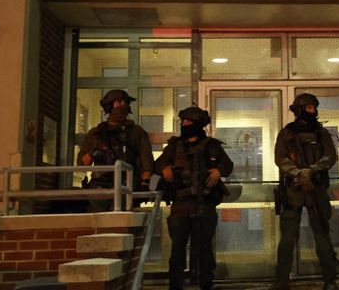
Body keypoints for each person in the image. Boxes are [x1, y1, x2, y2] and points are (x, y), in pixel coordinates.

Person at [154, 106, 233, 290]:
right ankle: (176, 285)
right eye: (183, 121)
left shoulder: (212, 146)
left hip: (203, 205)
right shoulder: (174, 146)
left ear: (198, 124)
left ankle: (206, 284)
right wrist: (164, 168)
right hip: (181, 205)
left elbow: (228, 165)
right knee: (178, 249)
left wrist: (218, 170)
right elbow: (158, 164)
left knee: (204, 248)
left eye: (188, 122)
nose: (184, 124)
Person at [274, 93, 339, 290]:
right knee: (287, 239)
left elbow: (330, 156)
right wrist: (300, 173)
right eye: (309, 108)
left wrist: (310, 171)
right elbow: (281, 158)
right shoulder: (287, 133)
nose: (313, 111)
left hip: (315, 189)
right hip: (294, 190)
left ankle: (330, 280)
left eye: (314, 107)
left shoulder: (321, 133)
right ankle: (281, 281)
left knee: (322, 236)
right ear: (300, 110)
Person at [77, 89, 154, 212]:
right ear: (110, 106)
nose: (122, 106)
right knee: (99, 219)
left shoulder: (136, 132)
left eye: (124, 103)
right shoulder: (97, 133)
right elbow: (82, 163)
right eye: (118, 103)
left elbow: (147, 162)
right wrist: (94, 153)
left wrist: (145, 183)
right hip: (101, 186)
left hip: (127, 184)